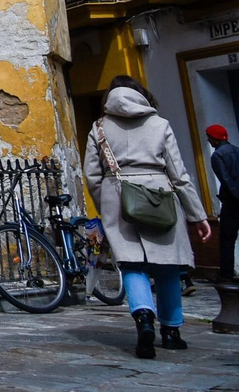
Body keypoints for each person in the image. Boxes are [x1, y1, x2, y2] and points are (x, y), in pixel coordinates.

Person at [83, 76, 212, 359]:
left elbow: (92, 175)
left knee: (132, 264)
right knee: (167, 264)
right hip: (158, 195)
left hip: (117, 196)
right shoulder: (159, 124)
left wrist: (106, 204)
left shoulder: (99, 127)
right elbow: (179, 174)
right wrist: (197, 215)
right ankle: (172, 331)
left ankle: (143, 317)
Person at [205, 124, 239, 281]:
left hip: (232, 203)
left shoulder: (217, 155)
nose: (208, 140)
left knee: (227, 240)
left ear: (215, 139)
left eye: (209, 137)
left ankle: (226, 276)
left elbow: (226, 180)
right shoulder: (236, 150)